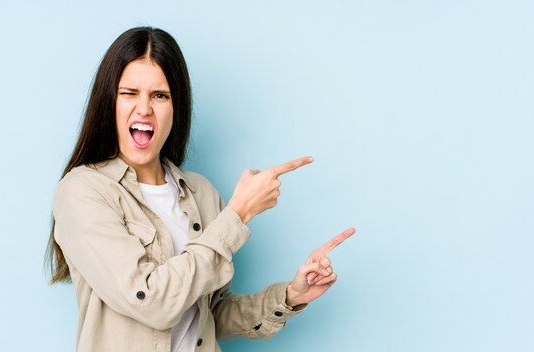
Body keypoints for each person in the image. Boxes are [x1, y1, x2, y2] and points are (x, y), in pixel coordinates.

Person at [45, 26, 355, 352]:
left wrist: (291, 295)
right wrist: (237, 215)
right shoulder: (82, 192)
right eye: (129, 93)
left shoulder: (202, 193)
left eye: (160, 95)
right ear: (109, 102)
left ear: (176, 106)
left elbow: (210, 314)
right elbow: (151, 302)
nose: (144, 108)